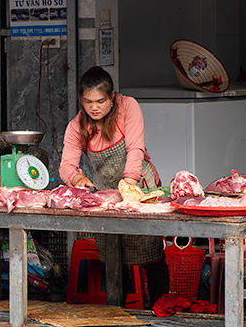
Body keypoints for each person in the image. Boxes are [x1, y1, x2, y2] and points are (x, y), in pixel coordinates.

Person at [58, 66, 170, 305]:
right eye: (87, 101)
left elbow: (135, 148)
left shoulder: (128, 106)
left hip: (139, 189)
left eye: (100, 101)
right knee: (113, 257)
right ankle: (119, 311)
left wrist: (129, 184)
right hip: (107, 196)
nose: (94, 107)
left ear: (112, 97)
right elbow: (66, 165)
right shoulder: (76, 126)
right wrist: (77, 179)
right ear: (81, 99)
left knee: (150, 255)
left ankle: (163, 308)